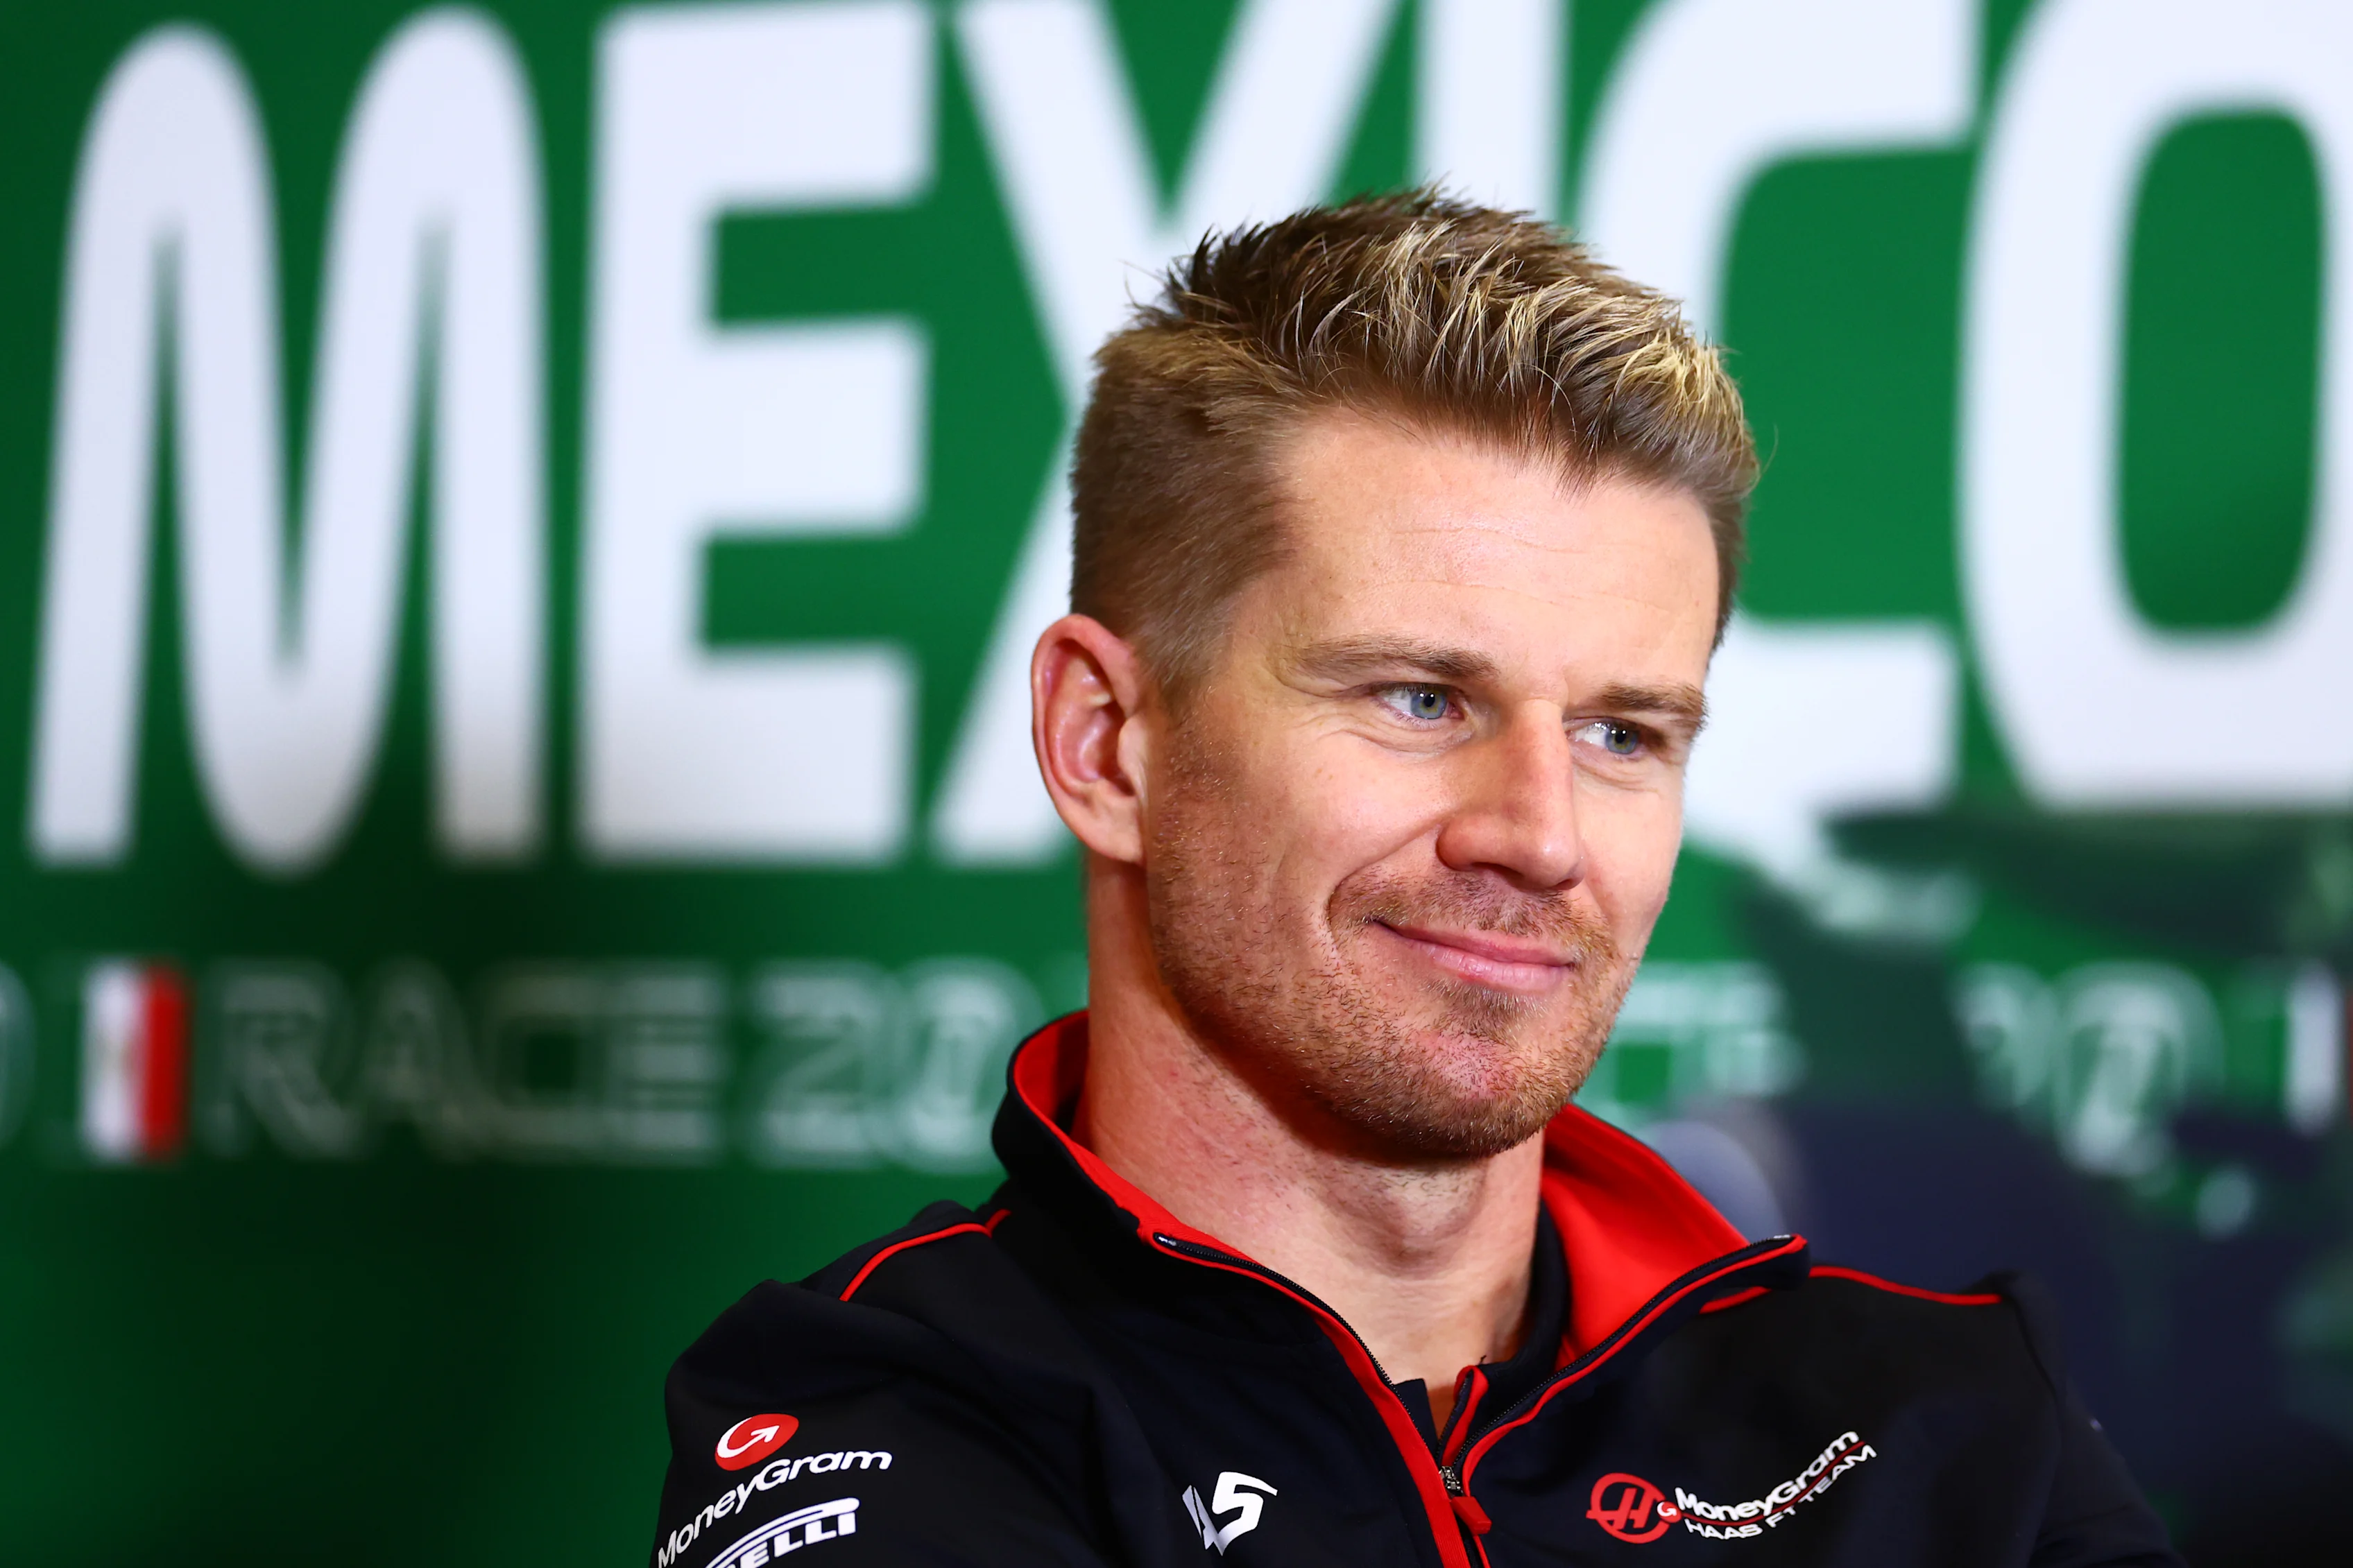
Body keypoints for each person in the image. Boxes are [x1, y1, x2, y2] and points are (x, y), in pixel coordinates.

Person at [647, 191, 2178, 1568]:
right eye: (1418, 698)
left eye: (1620, 729)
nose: (1541, 829)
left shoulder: (1941, 1410)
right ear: (1106, 743)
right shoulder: (872, 1422)